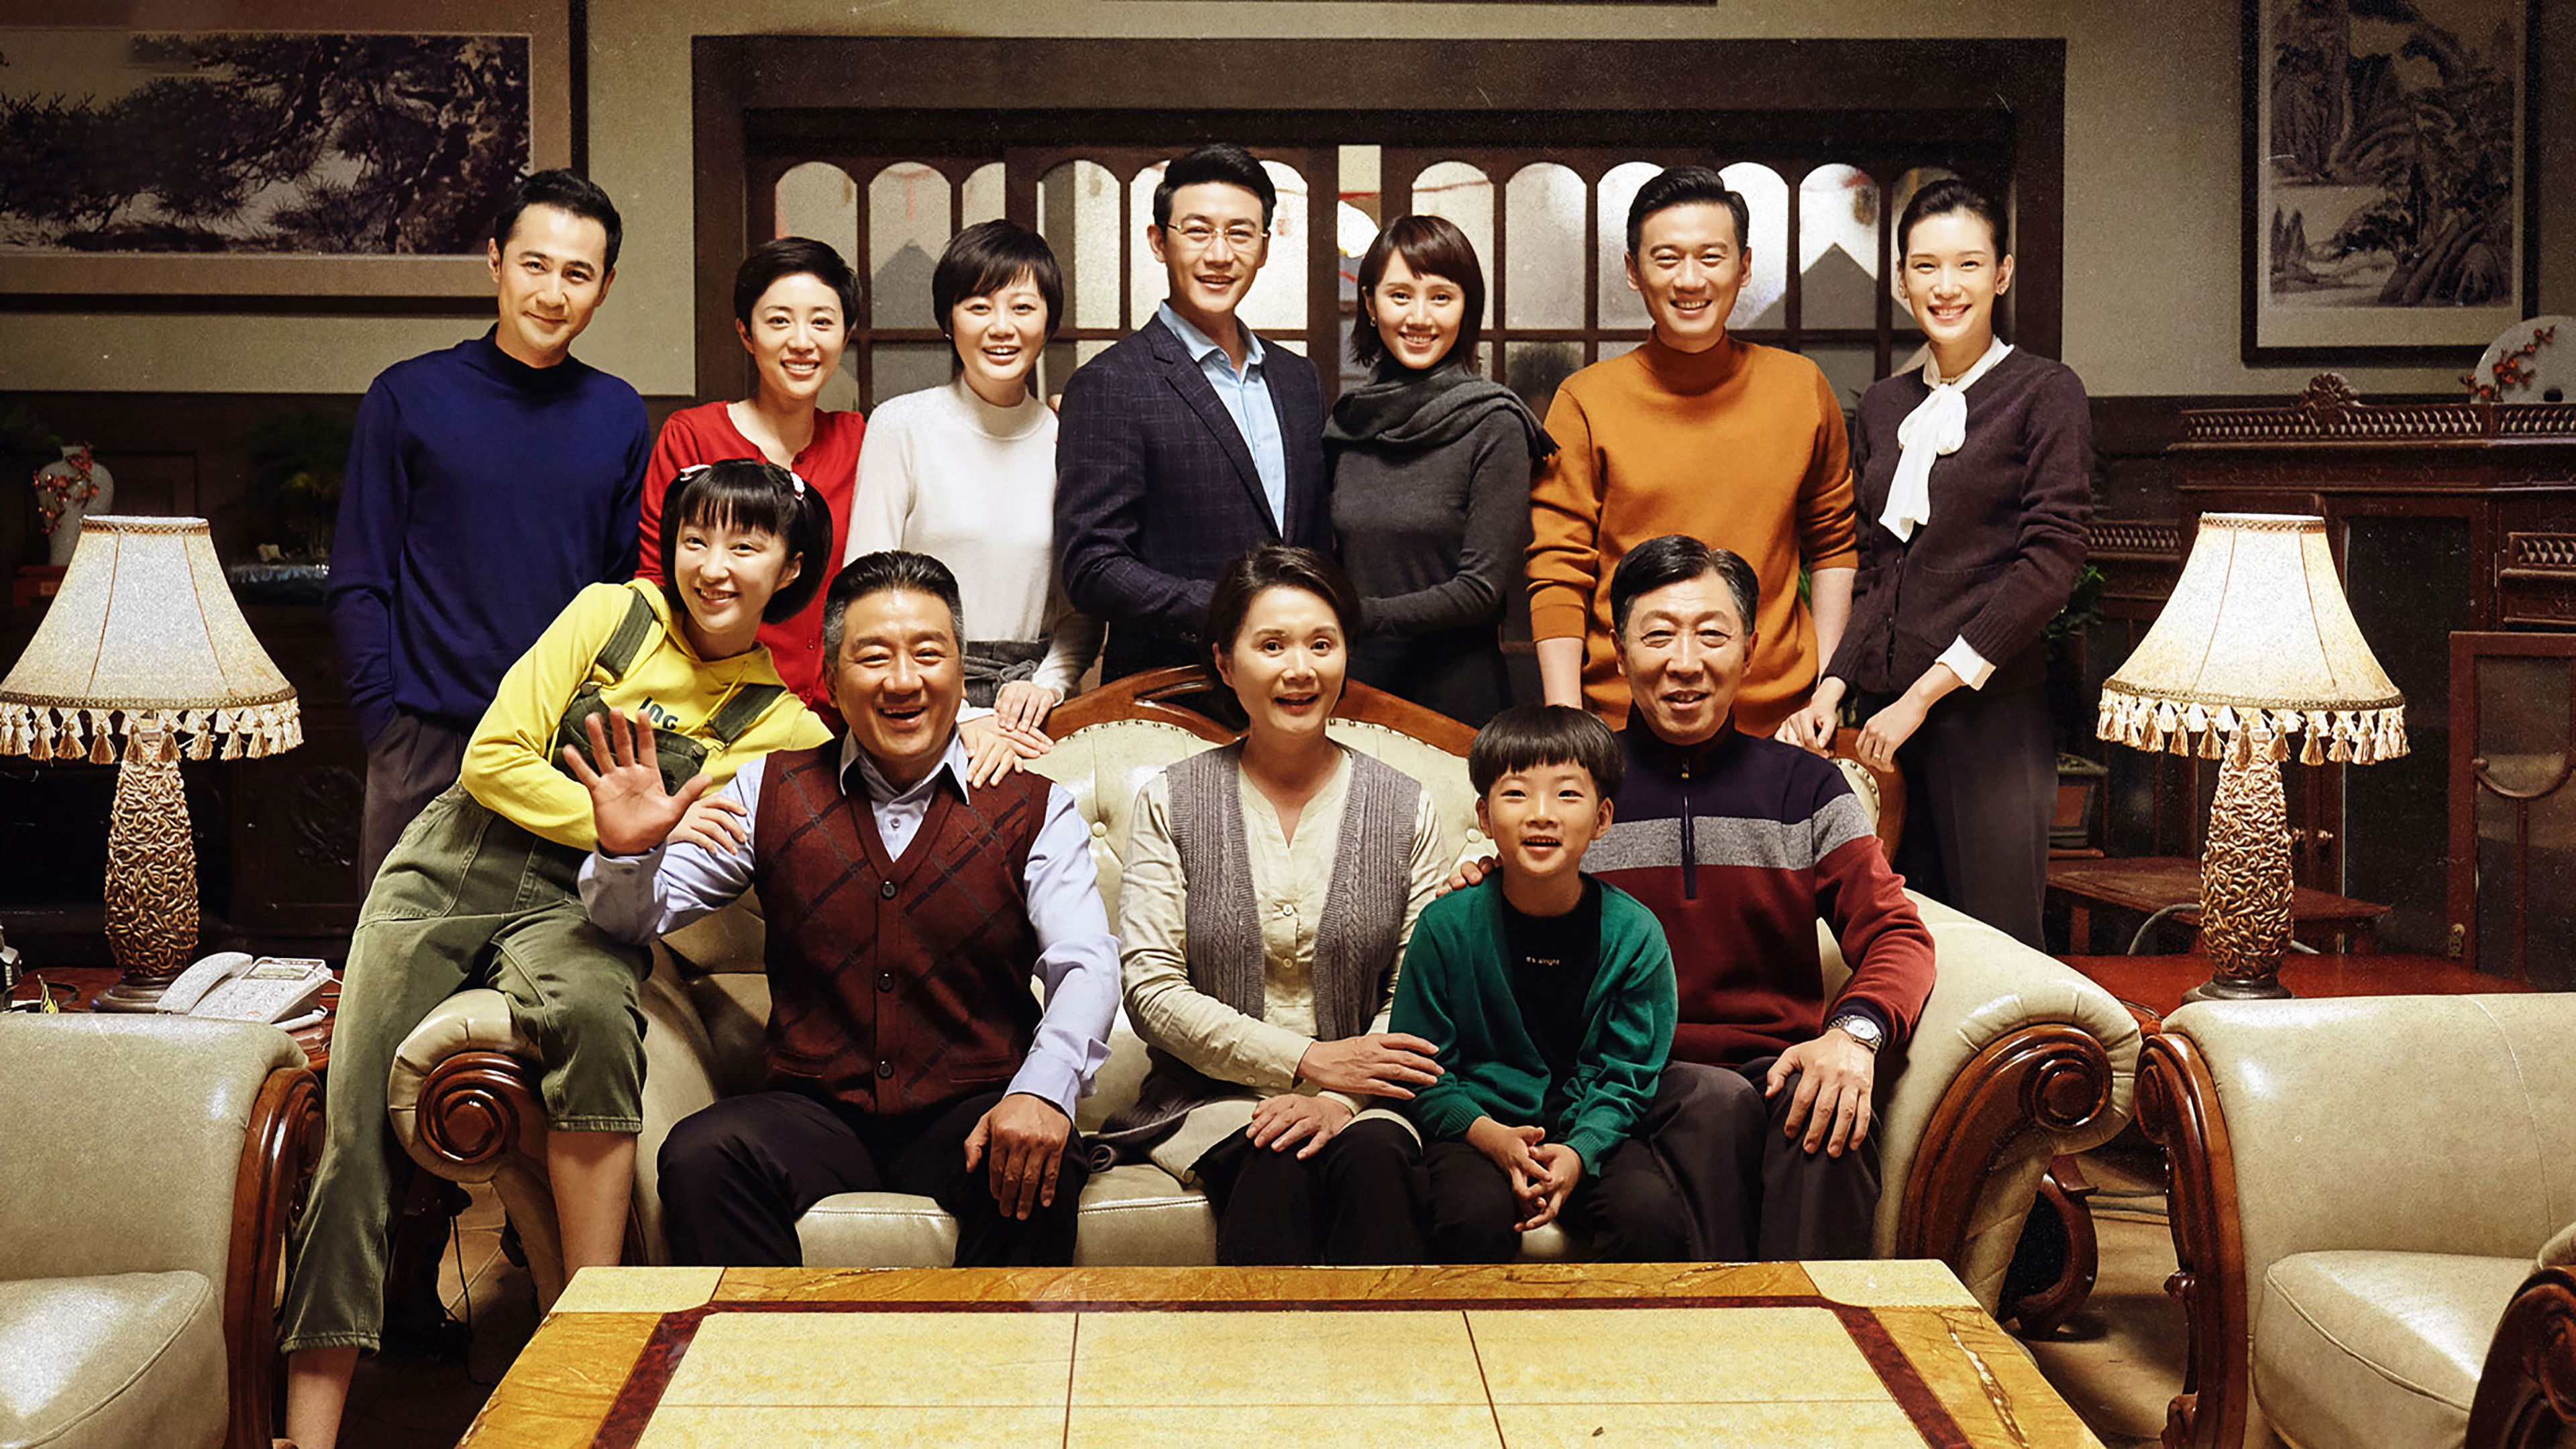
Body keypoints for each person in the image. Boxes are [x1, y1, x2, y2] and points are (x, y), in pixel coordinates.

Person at [283, 461, 835, 1449]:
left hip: (581, 906)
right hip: (453, 863)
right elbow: (492, 759)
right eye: (696, 539)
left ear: (791, 568)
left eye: (746, 546)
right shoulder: (609, 614)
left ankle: (595, 1355)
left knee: (597, 1024)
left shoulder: (781, 728)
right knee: (355, 1134)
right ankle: (307, 1436)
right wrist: (621, 823)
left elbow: (808, 803)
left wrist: (989, 727)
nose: (713, 566)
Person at [582, 550, 1120, 1271]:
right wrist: (626, 854)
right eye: (873, 656)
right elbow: (632, 920)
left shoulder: (1032, 806)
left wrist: (1043, 1092)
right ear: (833, 679)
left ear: (961, 672)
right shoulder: (768, 790)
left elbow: (1086, 965)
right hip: (815, 1113)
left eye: (928, 653)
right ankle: (769, 1351)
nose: (903, 680)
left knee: (1033, 1163)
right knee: (704, 1155)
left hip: (973, 1108)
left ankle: (994, 1353)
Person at [1456, 535, 1933, 1260]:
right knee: (1716, 1103)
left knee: (1829, 1115)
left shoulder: (1805, 788)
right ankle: (1725, 1323)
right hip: (1613, 1081)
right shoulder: (1573, 790)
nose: (1685, 662)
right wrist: (1483, 889)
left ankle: (1815, 1328)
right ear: (1620, 654)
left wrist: (1853, 1036)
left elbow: (1897, 933)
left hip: (1771, 1070)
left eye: (1712, 635)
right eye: (1658, 637)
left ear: (1749, 651)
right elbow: (1511, 911)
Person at [1097, 547, 1447, 1265]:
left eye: (1322, 644)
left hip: (1368, 1101)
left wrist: (1339, 1097)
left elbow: (1419, 985)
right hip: (1211, 1099)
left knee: (1375, 1163)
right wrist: (1309, 1060)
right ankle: (1263, 1345)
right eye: (1272, 645)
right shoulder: (1172, 801)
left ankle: (1397, 1345)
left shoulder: (1406, 805)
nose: (1300, 669)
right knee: (1276, 1158)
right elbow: (1152, 989)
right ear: (1226, 664)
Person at [1777, 180, 2091, 949]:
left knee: (1996, 947)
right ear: (1901, 279)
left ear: (2002, 274)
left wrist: (1923, 695)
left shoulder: (2045, 392)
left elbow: (2049, 566)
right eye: (1926, 266)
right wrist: (1833, 687)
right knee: (1894, 941)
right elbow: (1879, 572)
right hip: (1888, 726)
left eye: (1968, 265)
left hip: (1988, 723)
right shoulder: (1886, 406)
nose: (1946, 287)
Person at [332, 168, 648, 884]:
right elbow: (358, 579)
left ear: (604, 287)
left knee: (555, 945)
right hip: (425, 741)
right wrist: (385, 728)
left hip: (559, 746)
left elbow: (623, 590)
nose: (552, 293)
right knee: (400, 946)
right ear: (496, 261)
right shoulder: (408, 396)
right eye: (535, 264)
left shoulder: (619, 413)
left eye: (577, 274)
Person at [1392, 705, 1739, 1263]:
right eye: (1516, 794)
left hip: (1589, 1131)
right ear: (1484, 816)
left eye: (1567, 795)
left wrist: (1579, 1152)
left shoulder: (1634, 934)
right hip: (1476, 1133)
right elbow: (1422, 1069)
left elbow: (1628, 1075)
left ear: (1602, 818)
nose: (1541, 815)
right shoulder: (1446, 926)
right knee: (1470, 1217)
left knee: (1648, 1216)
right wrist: (1490, 1136)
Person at [1526, 165, 1858, 741]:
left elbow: (1833, 547)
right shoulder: (1586, 400)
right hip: (1625, 723)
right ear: (1634, 270)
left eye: (1711, 257)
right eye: (1666, 258)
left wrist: (1825, 690)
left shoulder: (1800, 388)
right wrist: (1568, 719)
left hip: (1781, 724)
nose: (1689, 279)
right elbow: (1558, 567)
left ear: (1744, 267)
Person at [1057, 144, 1331, 680]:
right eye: (1198, 231)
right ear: (1159, 242)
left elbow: (1316, 545)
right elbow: (1092, 565)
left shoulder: (1299, 381)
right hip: (1172, 690)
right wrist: (1236, 614)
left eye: (1240, 233)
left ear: (1264, 248)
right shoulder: (1110, 382)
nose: (1220, 254)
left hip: (1299, 690)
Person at [848, 220, 1099, 778]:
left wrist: (1048, 686)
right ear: (949, 320)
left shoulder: (1069, 439)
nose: (1001, 328)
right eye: (979, 307)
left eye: (1022, 308)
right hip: (911, 695)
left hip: (1031, 709)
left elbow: (1081, 607)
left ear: (1049, 320)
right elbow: (861, 593)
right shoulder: (901, 425)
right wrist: (957, 715)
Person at [1327, 215, 1552, 726]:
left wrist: (1348, 615)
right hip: (1353, 689)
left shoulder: (1494, 421)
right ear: (1370, 304)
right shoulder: (1348, 423)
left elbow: (1480, 590)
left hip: (1455, 696)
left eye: (1441, 297)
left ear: (1466, 306)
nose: (1419, 317)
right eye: (1400, 296)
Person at [639, 237, 869, 715]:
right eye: (779, 321)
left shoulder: (860, 441)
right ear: (746, 334)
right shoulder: (694, 436)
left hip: (836, 715)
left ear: (845, 336)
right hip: (715, 711)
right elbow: (657, 582)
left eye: (822, 322)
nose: (802, 341)